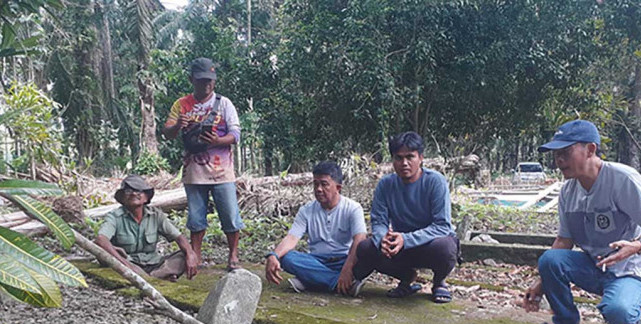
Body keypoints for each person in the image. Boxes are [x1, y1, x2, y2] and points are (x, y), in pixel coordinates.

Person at [523, 119, 641, 324]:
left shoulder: (622, 179)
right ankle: (566, 322)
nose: (559, 160)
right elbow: (564, 240)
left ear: (590, 149)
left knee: (618, 312)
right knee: (550, 259)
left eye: (566, 151)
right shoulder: (568, 191)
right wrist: (541, 281)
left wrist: (638, 244)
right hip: (595, 266)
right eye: (555, 154)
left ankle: (629, 320)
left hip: (631, 270)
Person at [353, 131, 459, 303]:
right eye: (398, 158)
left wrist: (406, 239)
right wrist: (383, 240)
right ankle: (406, 277)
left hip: (428, 244)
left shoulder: (435, 181)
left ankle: (439, 282)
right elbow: (379, 221)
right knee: (365, 248)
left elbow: (442, 225)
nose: (404, 163)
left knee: (446, 247)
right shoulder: (385, 185)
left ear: (421, 158)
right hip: (400, 246)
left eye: (410, 157)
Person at [162, 57, 244, 271]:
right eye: (201, 80)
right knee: (196, 215)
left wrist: (218, 141)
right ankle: (195, 253)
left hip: (222, 171)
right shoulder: (181, 104)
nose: (206, 84)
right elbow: (167, 133)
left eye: (210, 80)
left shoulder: (224, 103)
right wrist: (179, 124)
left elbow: (235, 134)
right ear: (192, 80)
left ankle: (233, 254)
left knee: (229, 214)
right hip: (194, 171)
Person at [265, 161, 367, 296]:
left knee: (367, 252)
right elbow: (292, 238)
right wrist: (274, 255)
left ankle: (310, 280)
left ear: (338, 187)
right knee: (287, 258)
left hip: (344, 260)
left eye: (324, 184)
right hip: (316, 260)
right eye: (315, 184)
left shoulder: (353, 208)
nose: (318, 189)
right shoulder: (306, 210)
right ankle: (337, 283)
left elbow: (359, 239)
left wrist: (347, 269)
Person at [95, 175, 199, 281]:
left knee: (183, 256)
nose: (134, 194)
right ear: (122, 197)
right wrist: (126, 265)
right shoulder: (114, 217)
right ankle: (160, 277)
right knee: (105, 255)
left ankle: (151, 277)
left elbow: (179, 237)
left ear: (146, 197)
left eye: (138, 191)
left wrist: (190, 254)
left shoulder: (156, 215)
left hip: (154, 264)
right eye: (128, 191)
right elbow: (101, 239)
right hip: (127, 263)